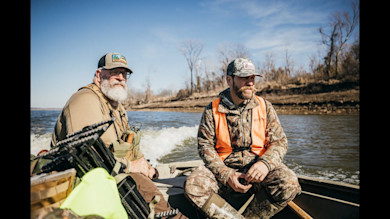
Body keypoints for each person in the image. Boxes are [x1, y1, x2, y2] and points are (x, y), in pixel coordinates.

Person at [51, 52, 187, 219]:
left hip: (111, 170)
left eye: (124, 74)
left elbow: (127, 145)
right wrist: (131, 167)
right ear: (99, 75)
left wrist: (145, 165)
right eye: (115, 72)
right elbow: (84, 156)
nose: (121, 78)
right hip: (82, 178)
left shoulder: (117, 106)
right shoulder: (85, 100)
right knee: (140, 184)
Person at [184, 58, 302, 218]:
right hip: (224, 171)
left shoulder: (265, 106)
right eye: (244, 77)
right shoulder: (212, 110)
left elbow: (279, 142)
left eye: (252, 77)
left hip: (258, 170)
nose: (250, 82)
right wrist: (226, 174)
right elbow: (205, 147)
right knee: (194, 186)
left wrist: (265, 164)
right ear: (229, 80)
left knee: (289, 182)